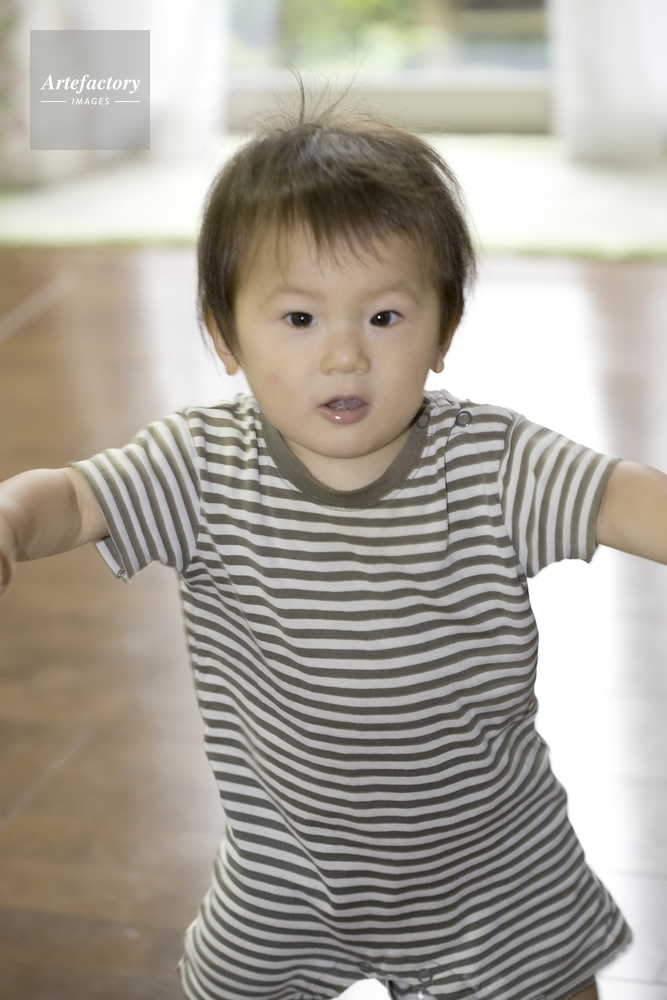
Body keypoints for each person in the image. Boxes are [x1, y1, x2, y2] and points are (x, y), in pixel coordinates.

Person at [0, 110, 666, 1000]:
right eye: (299, 317)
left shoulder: (493, 465)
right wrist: (10, 517)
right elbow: (76, 497)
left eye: (384, 316)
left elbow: (626, 497)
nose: (344, 355)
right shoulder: (199, 465)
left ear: (444, 329)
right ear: (224, 336)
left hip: (491, 872)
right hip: (285, 872)